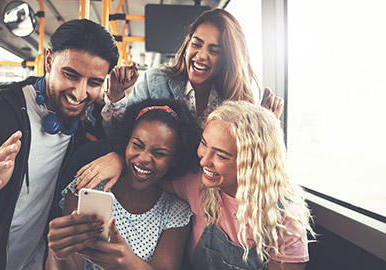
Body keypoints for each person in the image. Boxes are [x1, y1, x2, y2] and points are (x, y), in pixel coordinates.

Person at [0, 19, 119, 270]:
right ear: (49, 61)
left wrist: (119, 158)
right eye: (70, 75)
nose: (79, 93)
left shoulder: (82, 121)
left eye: (94, 82)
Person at [76, 101, 315, 269]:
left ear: (252, 164)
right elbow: (148, 167)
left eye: (221, 156)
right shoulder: (196, 185)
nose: (203, 160)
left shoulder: (286, 218)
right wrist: (117, 158)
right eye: (204, 144)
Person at [80, 8, 284, 191]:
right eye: (196, 44)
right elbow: (122, 135)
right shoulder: (155, 81)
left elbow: (244, 162)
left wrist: (265, 127)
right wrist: (116, 96)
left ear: (227, 58)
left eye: (214, 51)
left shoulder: (238, 101)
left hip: (207, 193)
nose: (201, 55)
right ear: (187, 45)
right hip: (157, 186)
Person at [45, 99, 202, 270]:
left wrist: (128, 263)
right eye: (137, 145)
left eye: (159, 153)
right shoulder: (88, 187)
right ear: (126, 142)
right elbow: (70, 266)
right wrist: (59, 253)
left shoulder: (175, 212)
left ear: (175, 159)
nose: (143, 158)